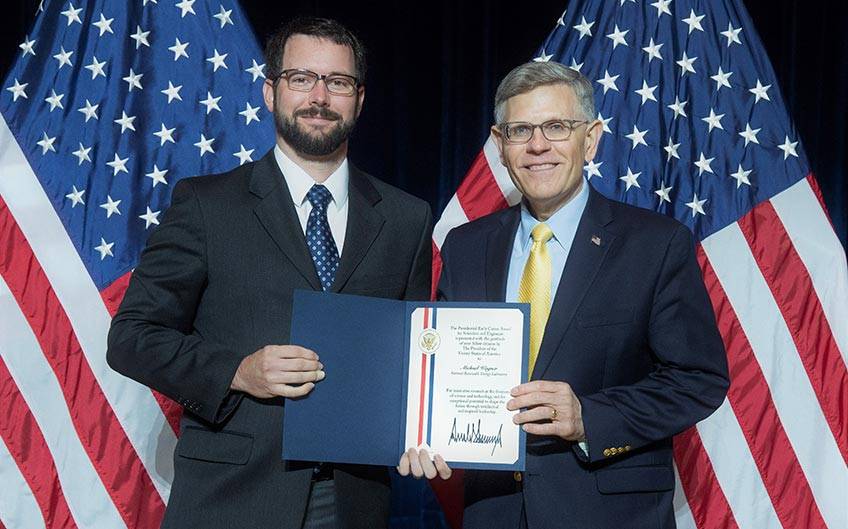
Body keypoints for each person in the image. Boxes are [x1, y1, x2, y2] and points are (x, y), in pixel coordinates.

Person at [107, 16, 433, 529]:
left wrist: (424, 428)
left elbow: (416, 358)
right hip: (232, 498)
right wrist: (237, 371)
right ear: (269, 91)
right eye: (301, 78)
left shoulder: (406, 218)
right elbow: (131, 337)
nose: (319, 96)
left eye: (338, 82)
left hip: (355, 499)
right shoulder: (206, 206)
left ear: (360, 98)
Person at [398, 61, 729, 529]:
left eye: (556, 127)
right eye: (520, 130)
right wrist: (426, 431)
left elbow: (698, 378)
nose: (538, 146)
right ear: (500, 143)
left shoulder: (656, 244)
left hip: (610, 513)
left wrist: (588, 417)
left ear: (590, 138)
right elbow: (444, 373)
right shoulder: (466, 246)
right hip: (493, 510)